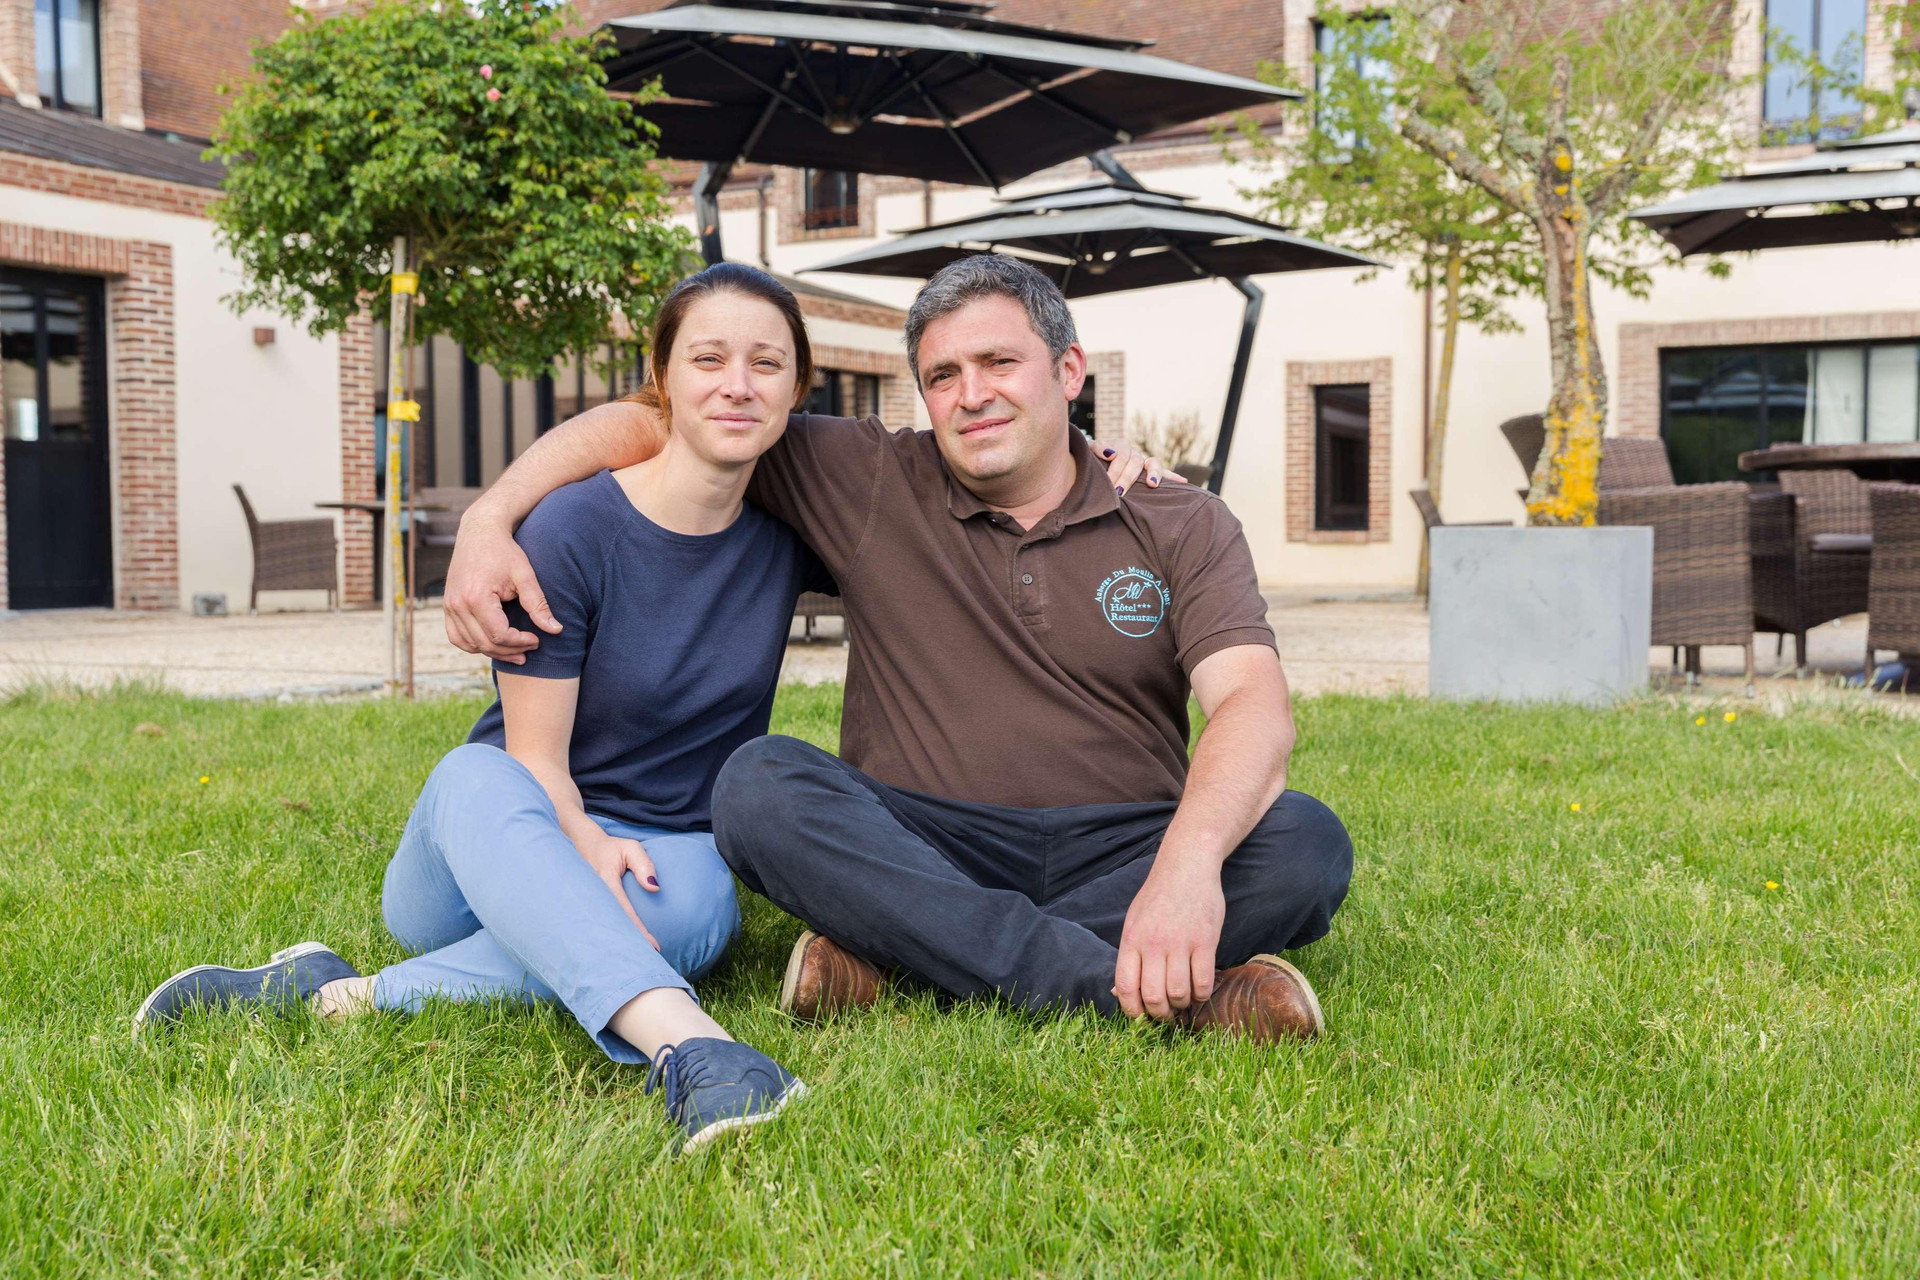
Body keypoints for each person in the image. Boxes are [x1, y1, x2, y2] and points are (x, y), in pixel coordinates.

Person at [444, 254, 1354, 1043]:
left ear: (1069, 370)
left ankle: (903, 957)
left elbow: (1251, 703)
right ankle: (1115, 986)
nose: (973, 394)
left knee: (1305, 843)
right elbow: (666, 420)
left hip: (1127, 841)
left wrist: (1186, 872)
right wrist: (493, 513)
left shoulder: (1180, 519)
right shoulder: (870, 475)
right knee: (759, 786)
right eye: (944, 375)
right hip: (923, 837)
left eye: (1000, 363)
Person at [135, 265, 839, 1151]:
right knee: (475, 772)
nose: (738, 384)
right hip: (496, 842)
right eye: (708, 359)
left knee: (705, 907)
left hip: (659, 860)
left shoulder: (792, 532)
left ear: (797, 390)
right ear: (662, 378)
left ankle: (332, 995)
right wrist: (583, 840)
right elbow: (535, 760)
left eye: (766, 363)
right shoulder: (570, 530)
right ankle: (693, 1045)